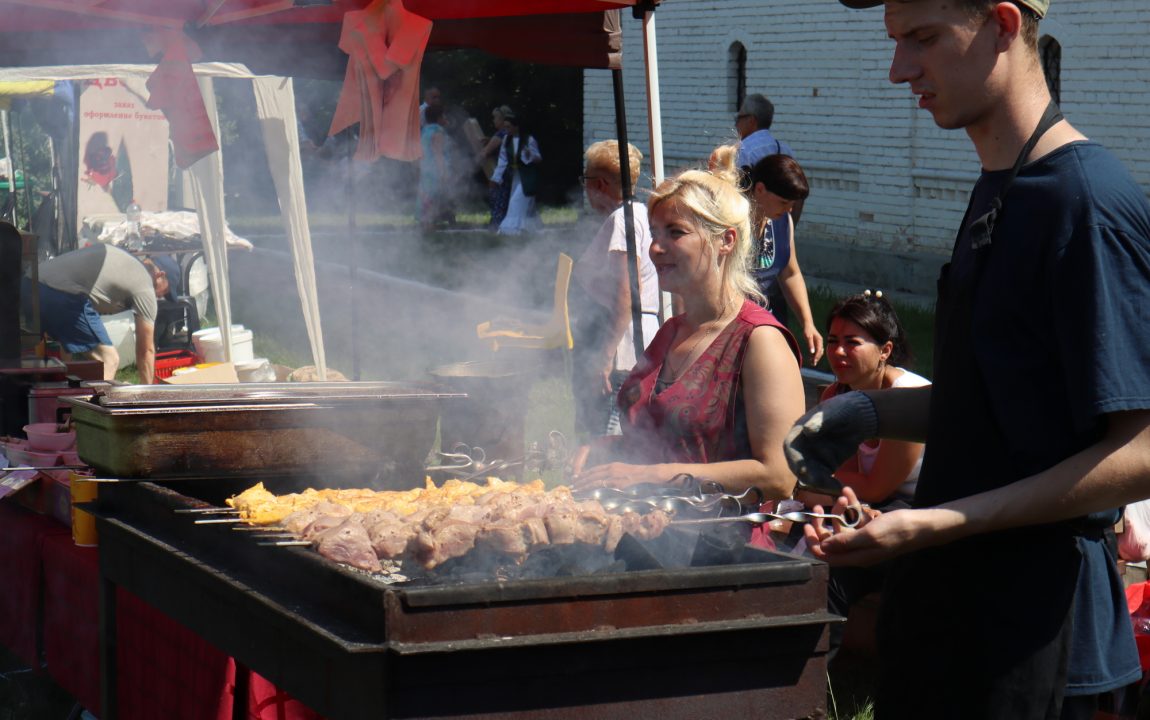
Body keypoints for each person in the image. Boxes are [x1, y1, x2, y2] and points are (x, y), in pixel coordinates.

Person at [785, 1, 1150, 717]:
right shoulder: (1000, 186)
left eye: (923, 39)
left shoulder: (1085, 205)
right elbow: (997, 398)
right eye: (895, 43)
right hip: (955, 611)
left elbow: (1139, 450)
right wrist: (862, 410)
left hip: (1042, 636)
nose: (899, 71)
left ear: (1005, 25)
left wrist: (941, 521)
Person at [571, 165, 805, 504]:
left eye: (675, 232)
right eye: (654, 233)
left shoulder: (760, 340)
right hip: (648, 537)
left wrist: (646, 476)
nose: (655, 248)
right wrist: (607, 451)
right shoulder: (672, 332)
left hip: (725, 548)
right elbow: (669, 441)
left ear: (726, 240)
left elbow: (778, 477)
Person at [797, 289, 929, 660]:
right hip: (873, 506)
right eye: (833, 341)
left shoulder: (908, 400)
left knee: (838, 562)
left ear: (885, 351)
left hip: (925, 513)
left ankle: (811, 680)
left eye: (853, 343)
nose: (838, 352)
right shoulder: (836, 397)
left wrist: (805, 485)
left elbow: (874, 485)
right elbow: (846, 480)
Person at [569, 140, 661, 445]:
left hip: (622, 344)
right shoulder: (641, 214)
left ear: (599, 183)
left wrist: (604, 358)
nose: (586, 189)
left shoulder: (624, 222)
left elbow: (626, 295)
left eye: (586, 181)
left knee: (605, 439)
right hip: (630, 337)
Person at [25, 243, 170, 384]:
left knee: (26, 358)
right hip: (61, 294)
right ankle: (93, 407)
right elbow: (146, 351)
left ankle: (59, 399)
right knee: (108, 359)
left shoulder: (123, 263)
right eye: (162, 293)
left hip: (28, 283)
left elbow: (69, 330)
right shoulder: (144, 283)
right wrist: (149, 395)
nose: (157, 298)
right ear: (159, 275)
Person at [742, 153, 823, 365]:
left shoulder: (782, 221)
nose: (789, 209)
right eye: (784, 202)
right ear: (759, 189)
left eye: (792, 204)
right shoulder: (732, 222)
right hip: (732, 332)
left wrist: (808, 323)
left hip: (763, 328)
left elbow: (790, 272)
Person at [734, 94, 804, 224]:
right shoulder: (785, 150)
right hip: (781, 224)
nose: (736, 124)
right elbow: (799, 196)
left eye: (738, 118)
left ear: (751, 121)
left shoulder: (743, 151)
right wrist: (790, 226)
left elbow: (733, 196)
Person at [490, 113, 542, 235]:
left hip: (527, 176)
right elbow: (502, 161)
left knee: (516, 201)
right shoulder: (506, 140)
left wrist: (530, 155)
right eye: (505, 127)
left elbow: (538, 158)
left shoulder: (528, 139)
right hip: (515, 176)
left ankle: (512, 229)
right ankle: (529, 228)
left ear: (516, 127)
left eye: (508, 127)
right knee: (526, 204)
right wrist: (495, 178)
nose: (506, 130)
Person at [478, 105, 513, 229]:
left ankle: (496, 225)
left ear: (502, 120)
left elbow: (485, 153)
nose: (493, 121)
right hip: (512, 172)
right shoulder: (510, 132)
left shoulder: (500, 134)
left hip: (501, 173)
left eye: (495, 118)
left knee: (499, 200)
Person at [418, 105, 451, 230]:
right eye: (444, 115)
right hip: (434, 169)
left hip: (425, 167)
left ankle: (425, 222)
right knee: (433, 195)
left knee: (425, 195)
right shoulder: (438, 131)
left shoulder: (425, 131)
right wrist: (443, 171)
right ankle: (430, 223)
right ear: (439, 117)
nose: (446, 118)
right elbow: (438, 153)